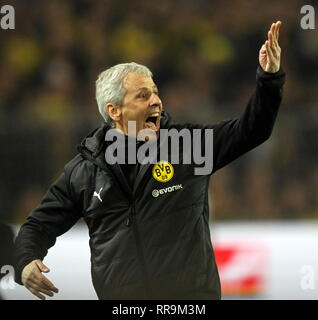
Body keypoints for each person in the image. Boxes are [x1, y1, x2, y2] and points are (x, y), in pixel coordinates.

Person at [14, 21, 285, 300]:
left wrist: (269, 78)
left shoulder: (188, 146)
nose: (156, 101)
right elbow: (37, 226)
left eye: (155, 92)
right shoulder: (84, 170)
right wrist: (25, 261)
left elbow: (253, 129)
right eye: (143, 95)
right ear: (115, 111)